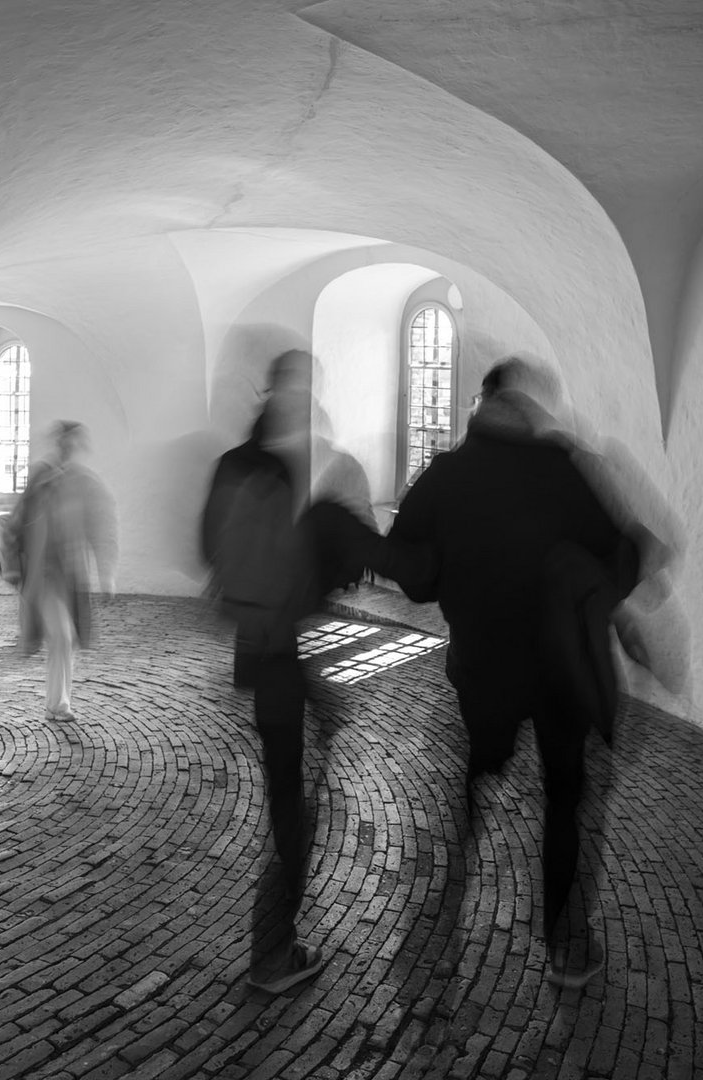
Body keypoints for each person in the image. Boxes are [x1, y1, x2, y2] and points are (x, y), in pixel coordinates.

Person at [377, 356, 640, 988]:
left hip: (484, 665)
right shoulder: (563, 467)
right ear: (526, 406)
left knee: (476, 770)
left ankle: (444, 894)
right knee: (564, 798)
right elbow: (625, 553)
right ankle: (565, 948)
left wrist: (451, 579)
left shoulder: (448, 473)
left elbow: (410, 572)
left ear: (482, 404)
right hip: (562, 671)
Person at [200, 349, 374, 994]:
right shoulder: (300, 465)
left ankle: (276, 942)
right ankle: (273, 955)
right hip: (284, 646)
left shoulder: (237, 463)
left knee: (289, 784)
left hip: (268, 645)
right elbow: (343, 557)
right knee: (289, 804)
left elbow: (206, 546)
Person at [1, 420, 118, 721]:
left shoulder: (84, 482)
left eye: (72, 441)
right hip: (44, 577)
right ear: (58, 443)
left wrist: (106, 576)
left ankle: (58, 701)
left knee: (68, 639)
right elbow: (17, 520)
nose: (67, 446)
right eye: (63, 440)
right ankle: (58, 704)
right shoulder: (41, 477)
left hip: (72, 578)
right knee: (63, 636)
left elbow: (99, 527)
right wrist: (12, 566)